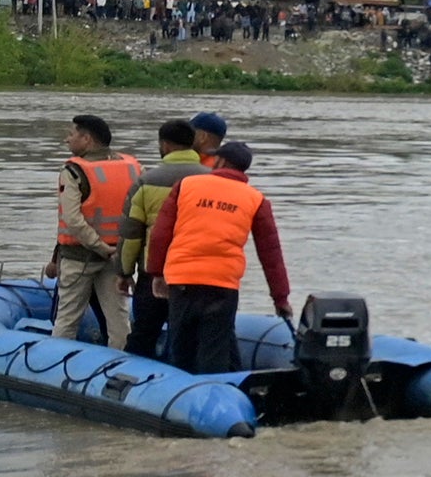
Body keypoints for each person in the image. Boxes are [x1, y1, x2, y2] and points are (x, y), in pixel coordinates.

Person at [141, 138, 295, 373]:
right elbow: (271, 255)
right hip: (222, 287)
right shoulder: (256, 199)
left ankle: (182, 397)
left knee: (182, 350)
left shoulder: (186, 186)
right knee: (214, 351)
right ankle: (222, 392)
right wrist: (280, 298)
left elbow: (161, 234)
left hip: (182, 281)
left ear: (221, 161)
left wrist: (156, 273)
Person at [117, 115, 209, 363]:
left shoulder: (147, 181)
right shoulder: (213, 180)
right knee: (190, 337)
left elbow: (130, 233)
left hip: (155, 273)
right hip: (199, 272)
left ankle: (130, 389)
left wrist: (124, 272)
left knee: (143, 335)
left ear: (165, 145)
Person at [47, 113, 141, 347]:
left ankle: (55, 366)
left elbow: (72, 219)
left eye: (71, 134)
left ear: (86, 139)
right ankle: (122, 368)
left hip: (80, 257)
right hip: (118, 256)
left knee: (67, 319)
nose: (67, 140)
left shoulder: (74, 171)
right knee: (119, 321)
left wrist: (99, 247)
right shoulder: (133, 167)